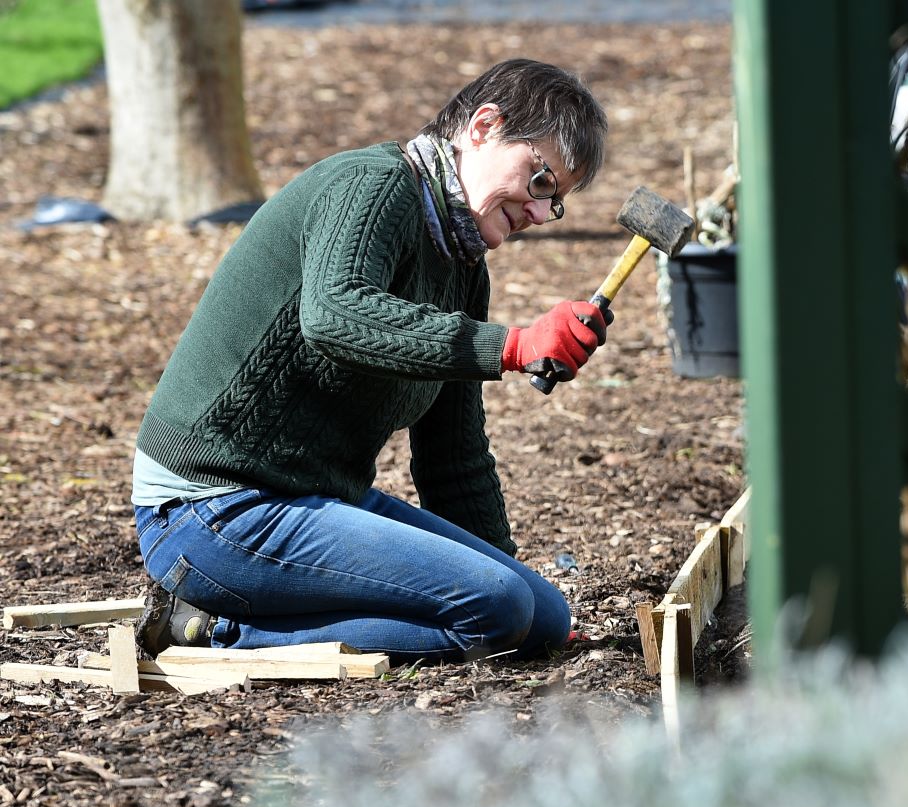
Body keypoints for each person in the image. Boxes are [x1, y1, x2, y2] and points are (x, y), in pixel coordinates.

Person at [130, 59, 609, 663]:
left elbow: (454, 456)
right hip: (211, 510)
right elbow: (335, 314)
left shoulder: (463, 269)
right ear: (484, 126)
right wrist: (512, 347)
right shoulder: (373, 185)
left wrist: (507, 582)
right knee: (500, 609)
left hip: (315, 498)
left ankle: (499, 612)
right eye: (541, 181)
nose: (539, 214)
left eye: (554, 202)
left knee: (541, 616)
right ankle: (211, 626)